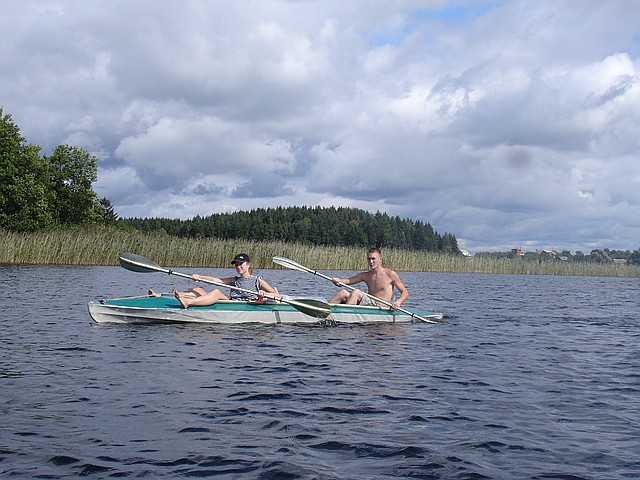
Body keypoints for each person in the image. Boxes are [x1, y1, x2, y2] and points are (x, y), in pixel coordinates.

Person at [172, 253, 280, 309]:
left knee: (216, 292)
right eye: (236, 265)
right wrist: (199, 277)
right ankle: (167, 295)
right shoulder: (234, 280)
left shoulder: (258, 280)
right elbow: (215, 280)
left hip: (244, 305)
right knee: (197, 289)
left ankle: (188, 302)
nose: (238, 267)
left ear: (248, 265)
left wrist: (264, 293)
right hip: (231, 302)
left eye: (240, 264)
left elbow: (277, 295)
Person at [328, 247, 408, 310]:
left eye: (373, 259)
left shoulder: (390, 274)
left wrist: (398, 302)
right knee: (343, 292)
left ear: (380, 259)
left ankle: (344, 315)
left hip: (381, 306)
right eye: (369, 259)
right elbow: (347, 281)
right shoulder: (366, 275)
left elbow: (404, 292)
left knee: (356, 292)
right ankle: (324, 311)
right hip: (369, 303)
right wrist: (338, 281)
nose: (371, 262)